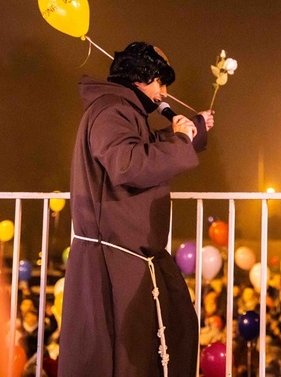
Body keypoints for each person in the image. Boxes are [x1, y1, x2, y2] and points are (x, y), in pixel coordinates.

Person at [58, 42, 215, 376]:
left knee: (168, 337)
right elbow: (127, 163)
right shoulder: (111, 110)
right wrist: (180, 142)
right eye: (159, 82)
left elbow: (146, 146)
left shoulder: (122, 110)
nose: (164, 93)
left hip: (131, 256)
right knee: (126, 359)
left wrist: (193, 133)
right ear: (139, 79)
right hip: (114, 261)